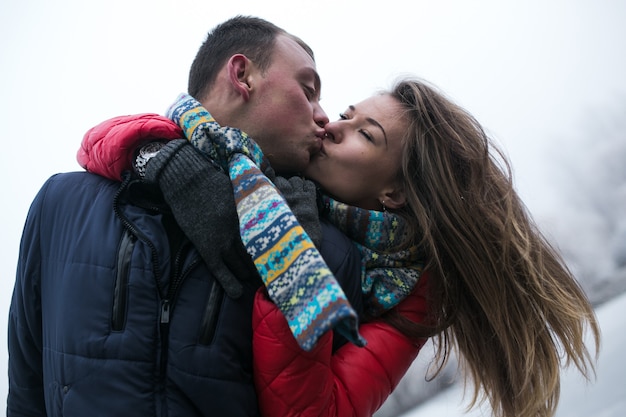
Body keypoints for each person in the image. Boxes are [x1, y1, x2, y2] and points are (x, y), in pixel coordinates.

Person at [74, 78, 600, 417]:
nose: (331, 126)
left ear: (393, 193)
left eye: (363, 134)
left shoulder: (409, 287)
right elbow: (118, 134)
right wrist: (160, 160)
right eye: (346, 112)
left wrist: (294, 261)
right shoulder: (268, 171)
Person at [7, 16, 364, 417]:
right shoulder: (62, 205)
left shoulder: (320, 251)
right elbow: (25, 395)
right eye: (308, 90)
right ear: (242, 75)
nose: (323, 116)